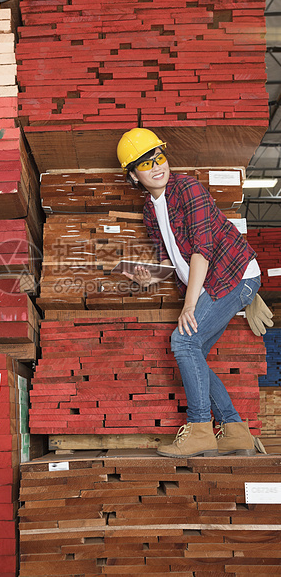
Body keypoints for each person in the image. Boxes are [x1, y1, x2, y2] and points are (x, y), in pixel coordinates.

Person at [116, 127, 272, 458]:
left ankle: (200, 428)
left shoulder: (188, 188)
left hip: (234, 276)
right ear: (133, 175)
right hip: (210, 282)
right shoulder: (149, 210)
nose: (157, 166)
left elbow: (203, 249)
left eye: (159, 157)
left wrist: (189, 306)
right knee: (194, 353)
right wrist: (148, 278)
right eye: (146, 164)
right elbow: (172, 261)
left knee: (184, 341)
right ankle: (235, 431)